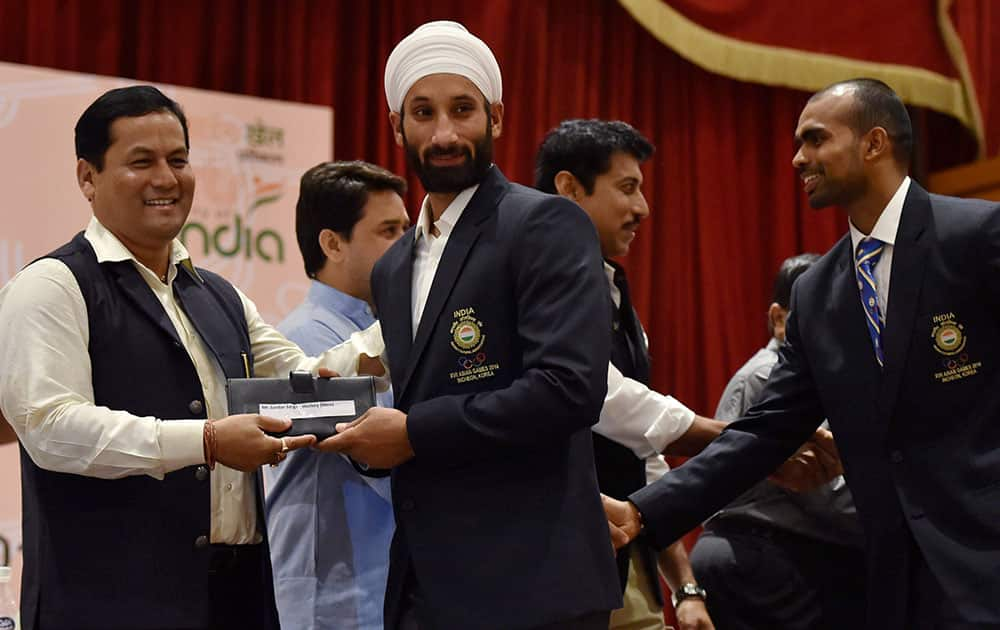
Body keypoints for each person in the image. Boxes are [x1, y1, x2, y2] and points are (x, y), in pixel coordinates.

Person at [605, 78, 1000, 628]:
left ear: (874, 143)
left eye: (815, 140)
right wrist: (643, 512)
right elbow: (764, 432)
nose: (797, 158)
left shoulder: (977, 236)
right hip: (892, 584)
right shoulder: (817, 293)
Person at [0, 85, 375, 630]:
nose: (166, 179)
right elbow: (50, 426)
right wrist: (207, 440)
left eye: (178, 160)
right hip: (107, 604)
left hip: (237, 595)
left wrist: (408, 324)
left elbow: (308, 376)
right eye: (141, 162)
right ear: (87, 177)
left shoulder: (218, 294)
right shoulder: (52, 286)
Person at [318, 20, 622, 630]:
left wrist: (410, 433)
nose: (445, 133)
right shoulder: (394, 265)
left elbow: (568, 390)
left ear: (498, 118)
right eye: (423, 113)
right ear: (396, 125)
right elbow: (421, 403)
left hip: (529, 585)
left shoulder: (544, 225)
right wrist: (360, 439)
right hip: (425, 584)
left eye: (463, 110)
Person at [534, 118, 714, 630]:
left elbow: (643, 452)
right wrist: (739, 440)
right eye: (627, 188)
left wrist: (685, 585)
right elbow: (606, 399)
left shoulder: (613, 289)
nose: (643, 209)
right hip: (555, 569)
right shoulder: (530, 283)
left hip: (625, 564)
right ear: (570, 188)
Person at [264, 160, 409, 630]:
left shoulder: (375, 329)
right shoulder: (306, 340)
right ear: (332, 243)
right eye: (389, 230)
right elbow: (378, 458)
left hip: (380, 589)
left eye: (408, 229)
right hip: (334, 599)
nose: (407, 245)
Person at [689, 253, 867, 630]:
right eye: (816, 309)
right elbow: (825, 491)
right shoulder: (771, 376)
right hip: (762, 558)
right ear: (778, 318)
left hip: (758, 556)